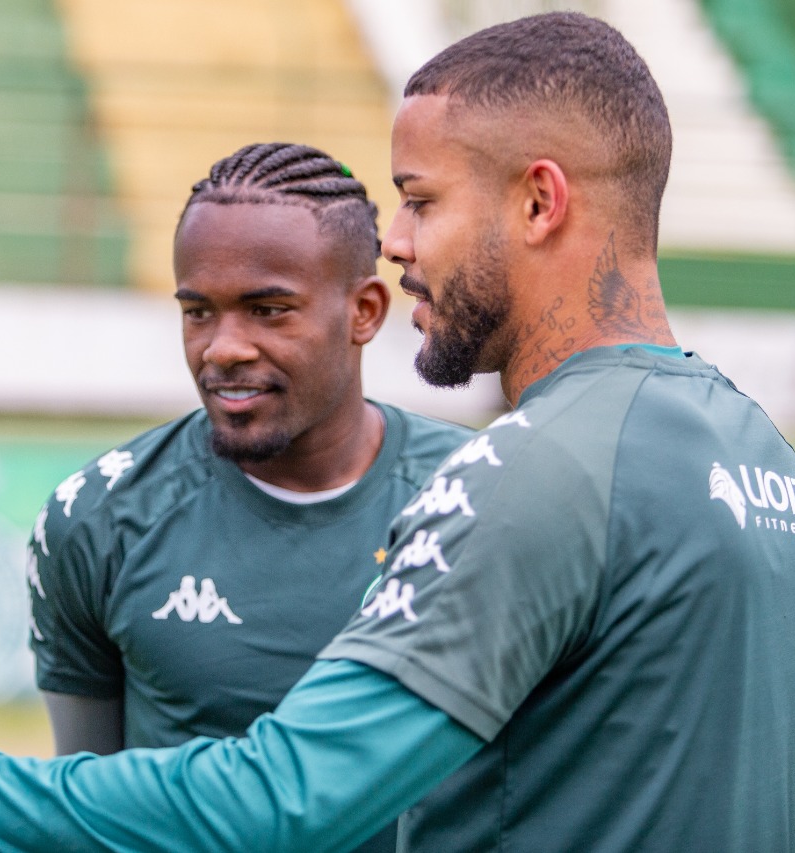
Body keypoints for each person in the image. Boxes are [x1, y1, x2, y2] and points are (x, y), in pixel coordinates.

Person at [0, 13, 795, 852]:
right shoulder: (782, 478)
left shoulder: (524, 473)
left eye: (421, 202)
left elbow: (284, 797)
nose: (396, 240)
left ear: (539, 201)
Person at [29, 141, 469, 853]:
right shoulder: (97, 518)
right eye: (198, 312)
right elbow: (84, 809)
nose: (222, 347)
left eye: (267, 310)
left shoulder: (474, 496)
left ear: (364, 311)